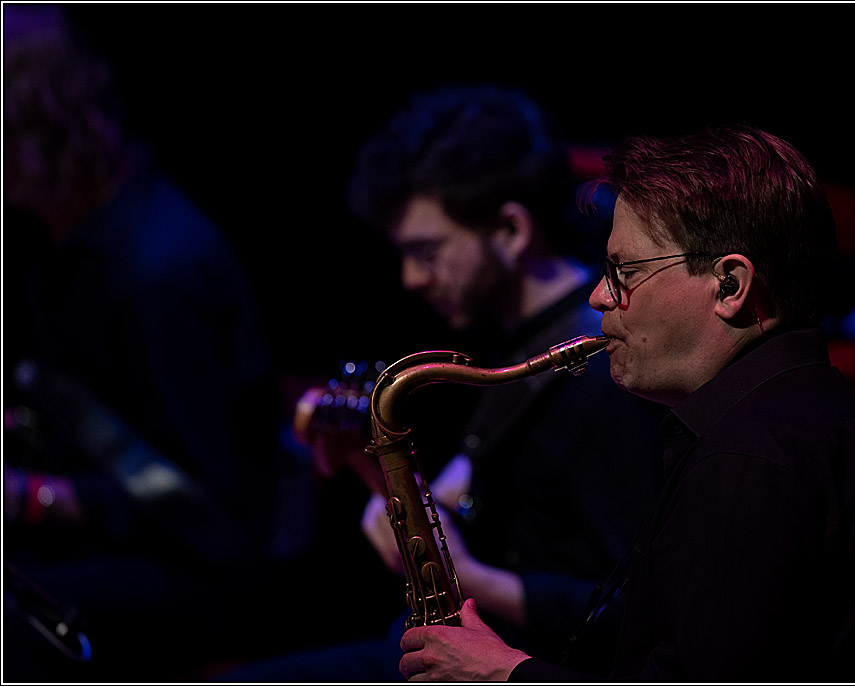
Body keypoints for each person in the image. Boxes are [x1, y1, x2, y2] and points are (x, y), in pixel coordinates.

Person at [397, 124, 855, 682]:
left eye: (624, 271)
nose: (600, 295)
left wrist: (507, 674)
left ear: (729, 285)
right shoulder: (799, 417)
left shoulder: (748, 463)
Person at [215, 85, 666, 681]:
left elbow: (638, 611)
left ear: (510, 229)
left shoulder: (604, 372)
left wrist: (479, 584)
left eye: (427, 251)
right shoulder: (511, 337)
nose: (410, 278)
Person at [3, 5, 307, 680]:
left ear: (31, 128)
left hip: (201, 568)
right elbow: (78, 409)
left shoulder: (156, 269)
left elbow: (204, 503)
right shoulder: (53, 233)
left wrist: (29, 497)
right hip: (113, 535)